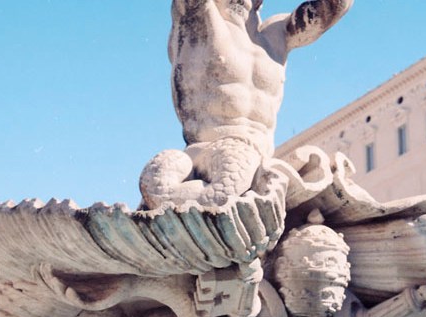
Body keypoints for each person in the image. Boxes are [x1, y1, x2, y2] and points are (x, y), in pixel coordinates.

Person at [142, 0, 352, 208]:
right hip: (212, 156)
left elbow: (334, 6)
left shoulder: (277, 32)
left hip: (260, 163)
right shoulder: (199, 14)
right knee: (226, 190)